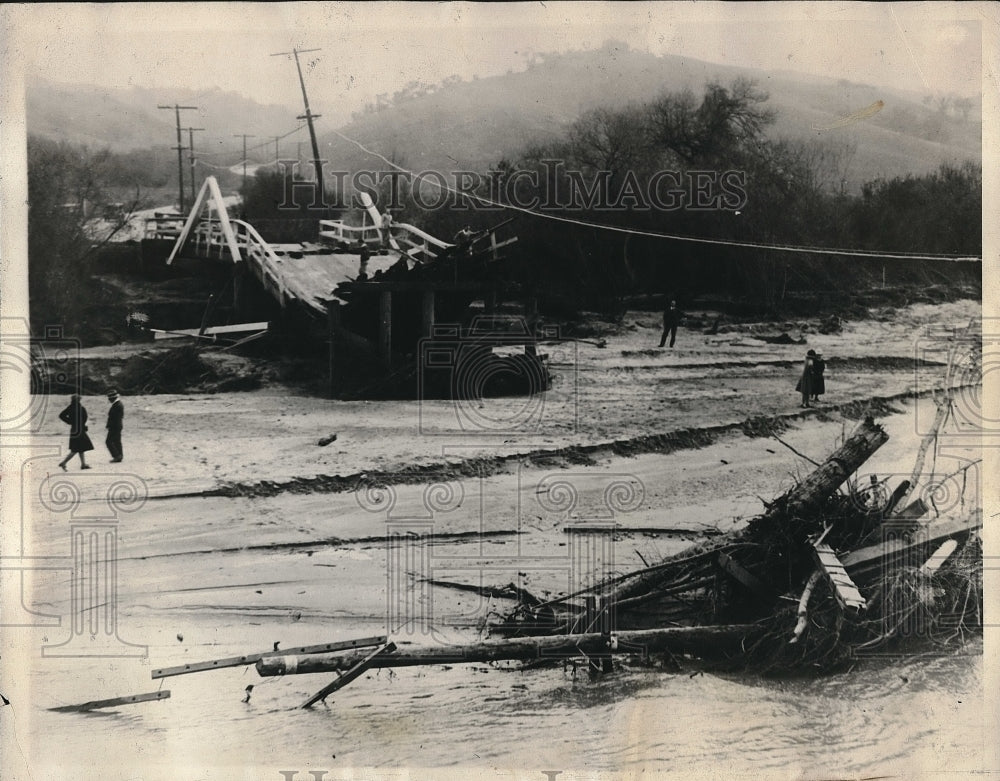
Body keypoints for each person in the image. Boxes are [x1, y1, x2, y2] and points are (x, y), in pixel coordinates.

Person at [57, 394, 94, 471]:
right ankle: (63, 463)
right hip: (80, 430)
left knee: (80, 447)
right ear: (79, 400)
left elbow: (61, 415)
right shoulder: (81, 408)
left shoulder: (70, 408)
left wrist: (69, 422)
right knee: (76, 449)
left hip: (74, 429)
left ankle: (83, 464)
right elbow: (85, 419)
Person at [105, 389, 125, 463]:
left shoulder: (117, 405)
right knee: (117, 441)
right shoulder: (119, 404)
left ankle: (116, 456)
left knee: (108, 441)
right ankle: (119, 455)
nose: (109, 400)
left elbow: (113, 418)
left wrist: (109, 425)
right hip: (118, 425)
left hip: (114, 426)